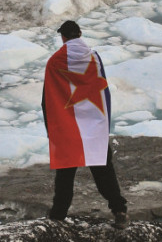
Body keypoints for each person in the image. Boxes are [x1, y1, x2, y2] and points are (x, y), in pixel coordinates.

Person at [41, 20, 128, 229]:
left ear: (63, 37)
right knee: (104, 170)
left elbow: (48, 99)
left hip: (68, 127)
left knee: (65, 173)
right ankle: (120, 211)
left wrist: (51, 129)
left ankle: (58, 216)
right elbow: (101, 89)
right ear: (80, 33)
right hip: (94, 125)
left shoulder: (55, 61)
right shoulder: (94, 58)